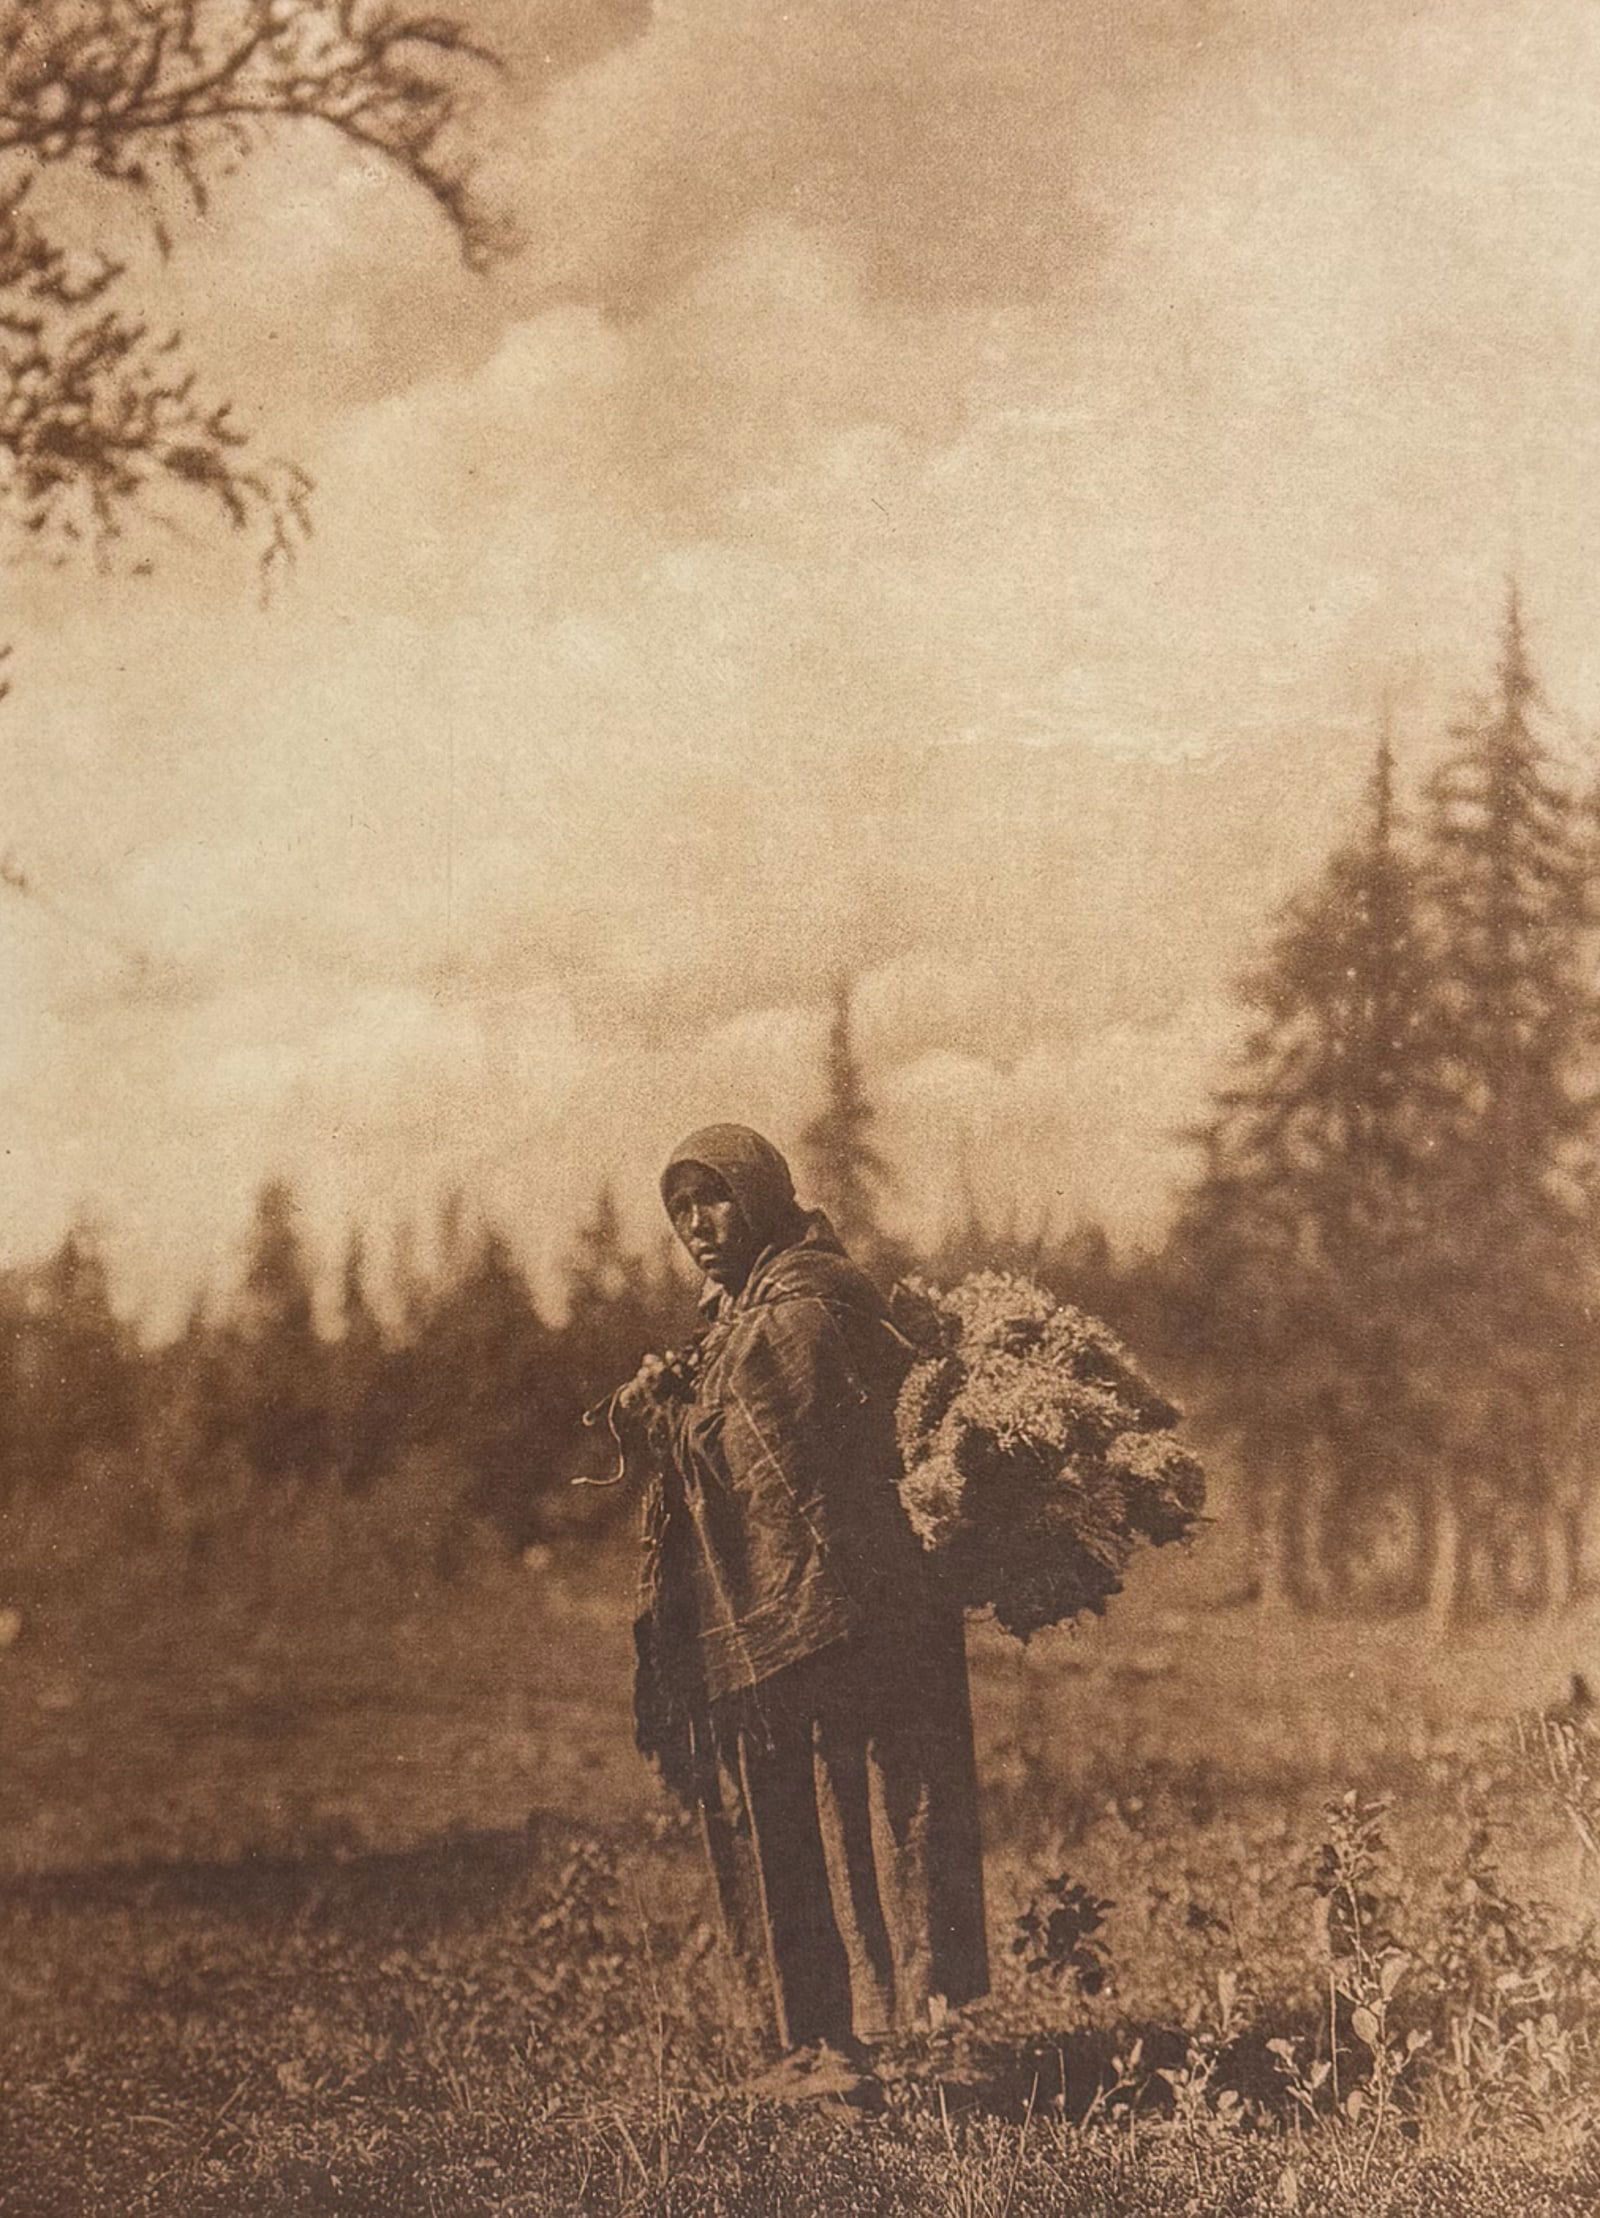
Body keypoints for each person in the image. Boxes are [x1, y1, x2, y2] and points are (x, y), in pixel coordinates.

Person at [610, 1123, 987, 2098]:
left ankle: (881, 2043)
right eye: (680, 1206)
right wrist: (670, 1404)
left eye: (715, 1197)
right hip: (776, 1622)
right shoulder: (739, 1314)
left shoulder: (808, 1305)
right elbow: (724, 1435)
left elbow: (766, 1449)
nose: (697, 1223)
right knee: (778, 1813)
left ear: (763, 1196)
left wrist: (673, 1420)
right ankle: (813, 2042)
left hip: (843, 1621)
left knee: (856, 1808)